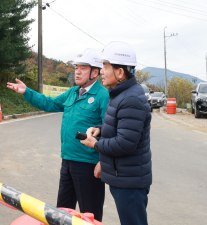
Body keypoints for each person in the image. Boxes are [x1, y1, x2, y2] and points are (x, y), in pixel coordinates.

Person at [7, 48, 109, 221]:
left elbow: (109, 128)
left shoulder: (102, 95)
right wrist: (27, 92)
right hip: (67, 161)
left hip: (88, 165)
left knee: (89, 215)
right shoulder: (72, 93)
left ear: (95, 72)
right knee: (62, 213)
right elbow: (49, 104)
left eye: (83, 68)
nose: (77, 71)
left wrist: (103, 161)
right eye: (76, 67)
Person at [80, 41, 152, 225]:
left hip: (130, 182)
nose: (101, 71)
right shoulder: (121, 94)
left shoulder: (131, 99)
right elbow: (121, 126)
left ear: (120, 73)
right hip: (123, 176)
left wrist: (95, 144)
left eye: (105, 67)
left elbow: (125, 143)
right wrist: (101, 130)